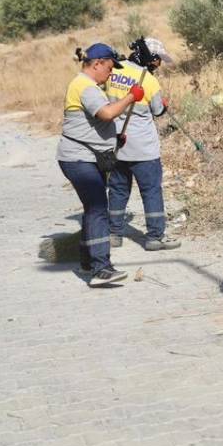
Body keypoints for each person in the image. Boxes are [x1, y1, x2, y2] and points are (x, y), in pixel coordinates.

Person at [57, 43, 144, 287]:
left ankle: (87, 260)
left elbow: (90, 124)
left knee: (92, 207)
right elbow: (106, 114)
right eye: (108, 67)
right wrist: (130, 97)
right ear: (96, 64)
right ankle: (101, 269)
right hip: (79, 158)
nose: (111, 73)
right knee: (97, 208)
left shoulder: (84, 85)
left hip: (82, 156)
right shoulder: (85, 86)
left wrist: (113, 138)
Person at [105, 38, 183, 251]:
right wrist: (164, 105)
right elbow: (158, 110)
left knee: (118, 191)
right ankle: (155, 237)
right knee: (151, 192)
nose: (158, 64)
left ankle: (114, 234)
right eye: (157, 59)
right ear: (148, 57)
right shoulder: (149, 81)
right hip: (144, 149)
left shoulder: (113, 72)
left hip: (118, 145)